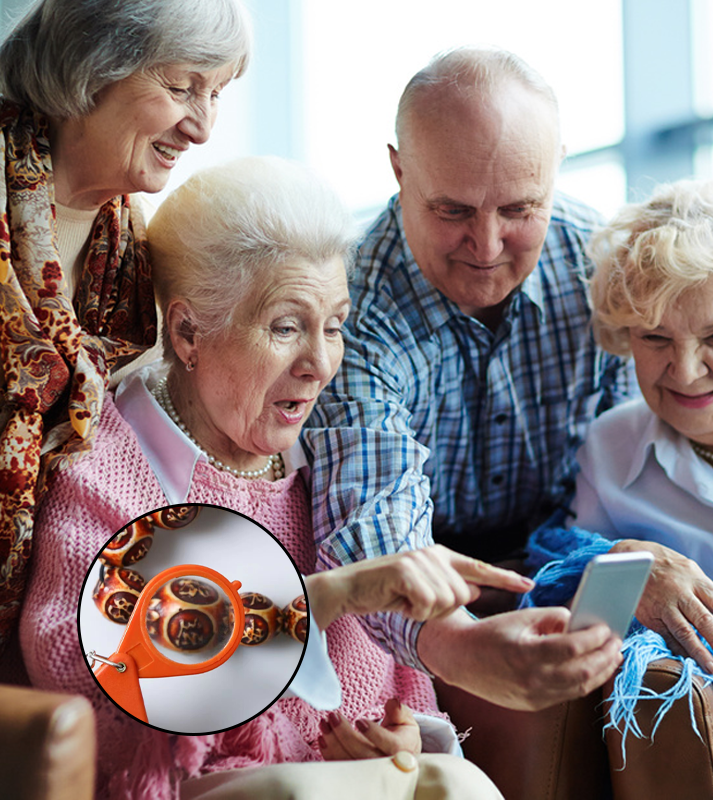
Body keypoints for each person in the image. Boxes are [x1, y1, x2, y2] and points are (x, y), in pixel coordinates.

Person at [19, 155, 526, 799]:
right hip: (193, 787)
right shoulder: (109, 470)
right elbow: (89, 689)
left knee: (454, 783)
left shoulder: (329, 469)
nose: (319, 363)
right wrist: (327, 597)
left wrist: (399, 741)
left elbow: (397, 686)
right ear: (187, 332)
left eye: (336, 326)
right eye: (286, 327)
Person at [303, 45, 629, 797]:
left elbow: (641, 456)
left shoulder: (598, 264)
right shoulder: (348, 305)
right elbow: (372, 521)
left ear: (557, 170)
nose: (486, 248)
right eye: (451, 210)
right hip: (421, 587)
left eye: (520, 210)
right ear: (397, 171)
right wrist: (455, 643)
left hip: (565, 556)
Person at [0, 0, 251, 655]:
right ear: (91, 66)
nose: (200, 128)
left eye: (216, 94)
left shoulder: (142, 258)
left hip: (58, 632)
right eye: (180, 88)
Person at [535, 180, 713, 799]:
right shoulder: (609, 449)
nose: (684, 370)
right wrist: (619, 566)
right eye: (655, 339)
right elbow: (577, 627)